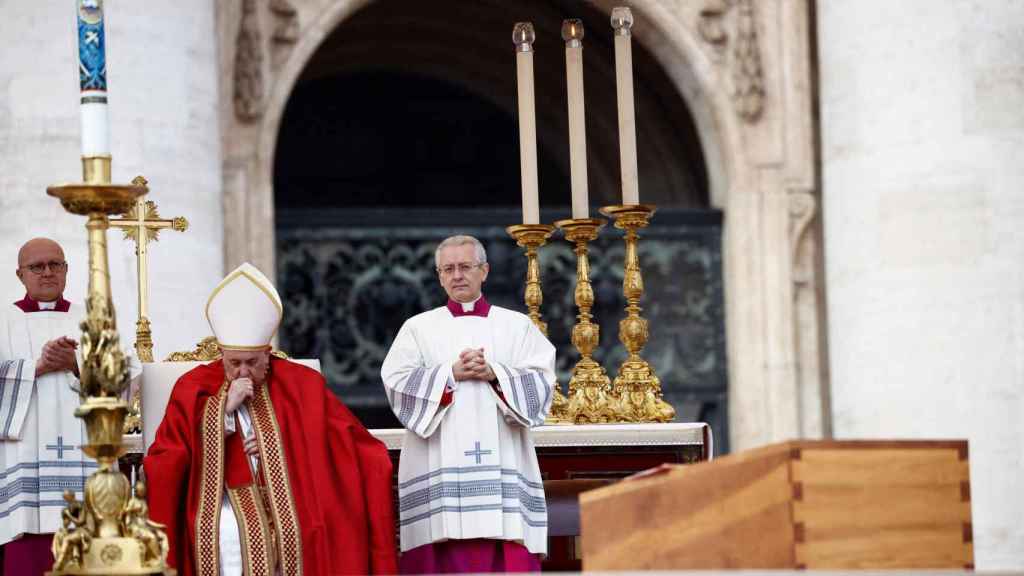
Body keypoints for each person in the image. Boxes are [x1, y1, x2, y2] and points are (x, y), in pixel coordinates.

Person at [144, 262, 398, 576]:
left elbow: (350, 445)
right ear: (221, 354)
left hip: (294, 492)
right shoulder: (193, 387)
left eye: (252, 362)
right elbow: (164, 459)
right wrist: (220, 411)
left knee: (312, 528)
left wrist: (275, 448)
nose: (243, 372)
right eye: (234, 362)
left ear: (268, 353)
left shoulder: (301, 384)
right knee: (228, 534)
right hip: (221, 500)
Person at [381, 235, 555, 574]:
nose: (457, 275)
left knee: (505, 540)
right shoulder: (417, 328)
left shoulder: (517, 326)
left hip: (503, 456)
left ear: (484, 271)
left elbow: (542, 382)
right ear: (439, 275)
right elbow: (396, 382)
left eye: (465, 267)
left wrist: (495, 374)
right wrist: (449, 375)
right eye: (448, 269)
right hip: (438, 463)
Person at [0, 238, 89, 576]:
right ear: (20, 274)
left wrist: (77, 363)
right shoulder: (3, 319)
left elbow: (127, 373)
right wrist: (35, 368)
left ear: (66, 270)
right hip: (22, 457)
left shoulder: (93, 318)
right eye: (37, 266)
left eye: (56, 264)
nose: (47, 272)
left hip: (84, 456)